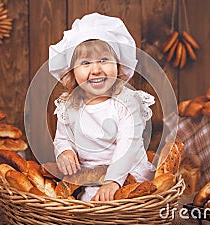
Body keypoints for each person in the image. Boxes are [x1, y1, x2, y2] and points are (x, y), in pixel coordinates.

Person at [48, 13, 155, 201]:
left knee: (116, 203)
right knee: (84, 202)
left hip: (127, 175)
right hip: (89, 177)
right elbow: (63, 138)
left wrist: (113, 181)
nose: (96, 69)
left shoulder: (128, 102)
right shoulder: (70, 105)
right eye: (85, 63)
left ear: (119, 65)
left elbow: (128, 143)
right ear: (72, 72)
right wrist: (64, 151)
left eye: (104, 60)